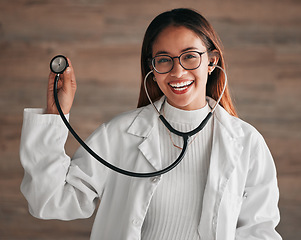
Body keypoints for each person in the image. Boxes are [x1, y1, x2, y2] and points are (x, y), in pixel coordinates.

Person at [20, 8, 282, 240]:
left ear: (212, 61)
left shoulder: (246, 141)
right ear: (152, 70)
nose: (177, 72)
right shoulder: (119, 135)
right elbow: (49, 201)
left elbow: (259, 230)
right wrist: (56, 117)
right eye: (164, 60)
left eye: (190, 56)